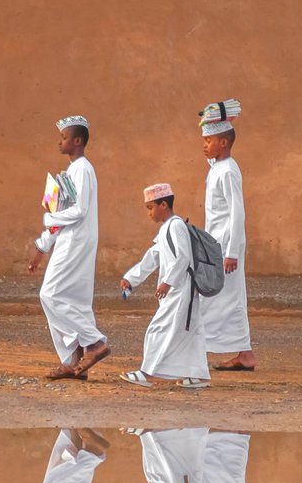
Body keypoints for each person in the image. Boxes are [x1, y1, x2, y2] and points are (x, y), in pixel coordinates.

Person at [27, 116, 111, 380]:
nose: (59, 142)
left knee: (49, 294)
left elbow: (79, 210)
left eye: (64, 137)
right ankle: (72, 362)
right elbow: (62, 210)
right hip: (68, 240)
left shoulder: (83, 169)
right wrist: (42, 247)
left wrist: (49, 218)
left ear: (77, 141)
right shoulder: (70, 172)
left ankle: (94, 343)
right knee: (74, 300)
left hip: (76, 242)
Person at [118, 184, 211, 389]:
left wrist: (168, 282)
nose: (149, 213)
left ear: (163, 204)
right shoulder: (167, 228)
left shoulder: (176, 226)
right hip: (180, 288)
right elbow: (154, 256)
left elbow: (183, 257)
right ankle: (200, 375)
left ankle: (147, 373)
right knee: (192, 331)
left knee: (158, 328)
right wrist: (132, 278)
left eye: (151, 207)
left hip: (180, 289)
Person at [198, 100, 255, 372]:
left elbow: (237, 213)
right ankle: (245, 354)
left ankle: (197, 349)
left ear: (223, 143)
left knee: (222, 298)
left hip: (225, 246)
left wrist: (232, 251)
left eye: (209, 140)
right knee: (229, 298)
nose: (204, 144)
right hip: (215, 244)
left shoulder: (229, 171)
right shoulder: (217, 167)